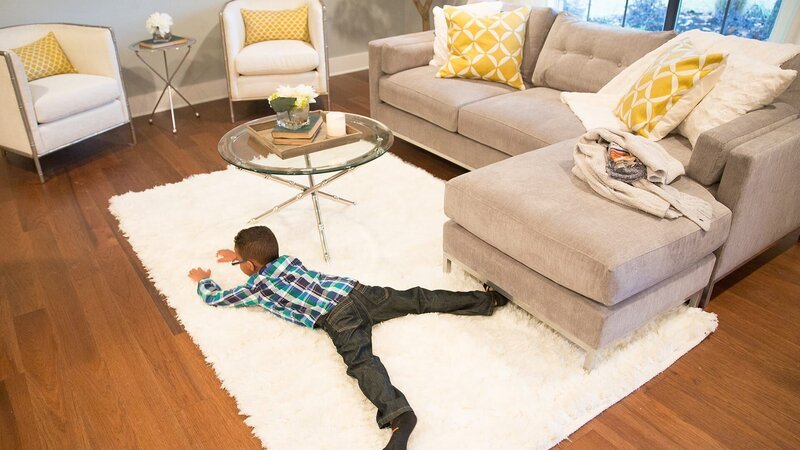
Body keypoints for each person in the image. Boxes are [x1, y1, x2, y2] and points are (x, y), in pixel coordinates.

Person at [188, 226, 508, 450]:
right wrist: (241, 256)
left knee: (363, 363)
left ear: (249, 265)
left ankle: (400, 417)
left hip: (338, 319)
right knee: (417, 298)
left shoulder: (256, 288)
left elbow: (219, 298)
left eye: (241, 262)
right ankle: (487, 301)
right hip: (356, 292)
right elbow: (263, 261)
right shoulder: (287, 260)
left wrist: (205, 282)